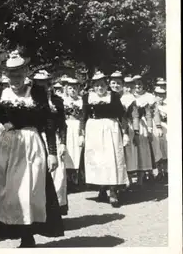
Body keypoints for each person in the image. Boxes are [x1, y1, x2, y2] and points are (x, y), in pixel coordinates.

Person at [0, 50, 64, 247]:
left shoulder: (38, 92)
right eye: (11, 74)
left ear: (26, 71)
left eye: (19, 73)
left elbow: (49, 124)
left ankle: (28, 234)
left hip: (31, 145)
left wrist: (52, 152)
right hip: (7, 146)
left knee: (31, 188)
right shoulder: (0, 94)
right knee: (10, 191)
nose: (15, 78)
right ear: (6, 74)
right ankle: (15, 229)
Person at [79, 71, 129, 208]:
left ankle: (113, 191)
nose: (100, 88)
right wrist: (81, 134)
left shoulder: (113, 96)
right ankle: (101, 189)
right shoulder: (87, 97)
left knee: (112, 159)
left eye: (102, 85)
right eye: (96, 86)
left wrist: (125, 133)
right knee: (98, 160)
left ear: (106, 85)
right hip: (93, 129)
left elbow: (122, 116)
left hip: (110, 129)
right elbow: (83, 116)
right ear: (93, 86)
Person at [32, 70, 68, 215]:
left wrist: (63, 143)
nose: (42, 86)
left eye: (44, 83)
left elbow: (62, 124)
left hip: (54, 139)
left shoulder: (56, 101)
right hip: (36, 138)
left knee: (58, 175)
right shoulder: (30, 101)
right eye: (38, 83)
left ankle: (56, 211)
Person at [132, 75, 158, 185]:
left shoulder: (149, 97)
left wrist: (151, 127)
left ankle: (142, 177)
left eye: (140, 84)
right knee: (132, 151)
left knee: (143, 150)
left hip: (143, 124)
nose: (138, 86)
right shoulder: (130, 96)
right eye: (136, 84)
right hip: (131, 123)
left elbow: (152, 113)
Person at [62, 78, 85, 192]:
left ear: (79, 89)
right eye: (70, 88)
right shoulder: (63, 100)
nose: (73, 90)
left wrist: (82, 132)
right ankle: (67, 178)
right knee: (68, 151)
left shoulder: (81, 101)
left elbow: (83, 117)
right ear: (66, 89)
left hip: (77, 127)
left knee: (77, 151)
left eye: (75, 88)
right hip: (67, 126)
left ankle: (77, 178)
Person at [152, 86, 167, 183]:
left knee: (165, 149)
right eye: (158, 95)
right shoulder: (152, 105)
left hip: (166, 128)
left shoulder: (167, 105)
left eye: (162, 95)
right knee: (157, 150)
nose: (160, 97)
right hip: (155, 128)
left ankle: (166, 171)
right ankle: (159, 172)